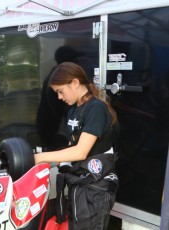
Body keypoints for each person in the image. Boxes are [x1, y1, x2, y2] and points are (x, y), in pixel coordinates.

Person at [34, 62, 119, 229]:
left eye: (60, 91)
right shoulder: (73, 110)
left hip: (96, 188)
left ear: (74, 83)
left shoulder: (96, 108)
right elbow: (70, 150)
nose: (59, 97)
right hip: (79, 184)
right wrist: (45, 163)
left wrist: (39, 158)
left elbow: (80, 152)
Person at [36, 46, 84, 151]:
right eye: (74, 60)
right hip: (51, 125)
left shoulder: (93, 107)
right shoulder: (56, 80)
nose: (60, 96)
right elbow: (57, 110)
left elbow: (80, 151)